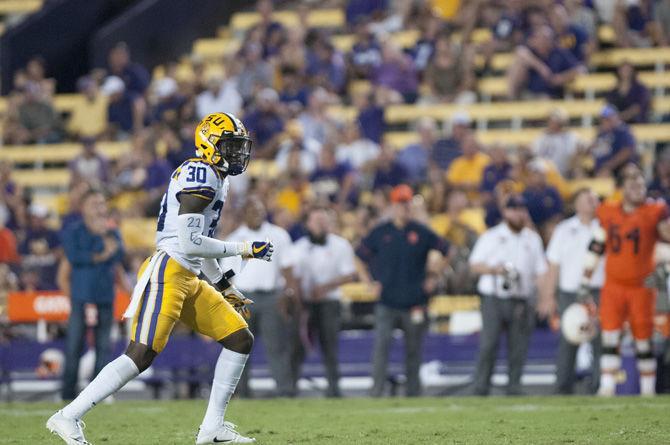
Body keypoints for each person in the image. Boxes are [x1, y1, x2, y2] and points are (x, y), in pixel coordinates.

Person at [47, 112, 273, 444]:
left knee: (240, 338)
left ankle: (212, 428)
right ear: (209, 144)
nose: (238, 153)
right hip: (168, 271)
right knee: (141, 354)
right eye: (230, 146)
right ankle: (67, 416)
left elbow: (200, 244)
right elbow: (189, 242)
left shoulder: (216, 176)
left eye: (239, 147)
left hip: (188, 275)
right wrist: (244, 249)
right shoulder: (202, 174)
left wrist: (226, 287)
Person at [583, 163, 670, 396]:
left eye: (640, 182)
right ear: (622, 188)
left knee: (644, 339)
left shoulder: (655, 211)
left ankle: (648, 389)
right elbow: (597, 244)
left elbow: (666, 237)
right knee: (610, 335)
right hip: (613, 285)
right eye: (632, 182)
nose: (637, 187)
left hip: (643, 286)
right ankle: (607, 386)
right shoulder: (608, 211)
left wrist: (664, 266)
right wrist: (585, 277)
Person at [357, 184, 449, 397]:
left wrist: (434, 277)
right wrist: (368, 283)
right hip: (387, 301)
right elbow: (359, 257)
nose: (403, 208)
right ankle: (376, 392)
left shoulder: (421, 232)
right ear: (393, 206)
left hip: (415, 301)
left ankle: (413, 392)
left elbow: (447, 250)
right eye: (400, 204)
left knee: (414, 350)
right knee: (381, 349)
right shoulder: (381, 232)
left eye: (406, 203)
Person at [469, 195, 547, 396]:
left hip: (521, 298)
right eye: (514, 209)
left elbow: (541, 271)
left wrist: (544, 298)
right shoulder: (492, 236)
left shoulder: (532, 238)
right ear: (505, 212)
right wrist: (496, 270)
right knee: (488, 344)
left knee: (519, 346)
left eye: (521, 209)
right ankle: (481, 387)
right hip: (493, 297)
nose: (518, 213)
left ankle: (514, 386)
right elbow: (475, 265)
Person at [222, 197, 298, 398]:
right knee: (240, 346)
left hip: (272, 296)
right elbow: (225, 276)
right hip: (242, 298)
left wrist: (289, 294)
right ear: (244, 214)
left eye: (260, 211)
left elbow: (288, 268)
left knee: (277, 346)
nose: (257, 215)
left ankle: (284, 390)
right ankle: (241, 392)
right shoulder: (234, 238)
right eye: (253, 211)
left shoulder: (278, 234)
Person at [59, 190, 124, 401]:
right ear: (83, 207)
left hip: (105, 297)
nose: (99, 208)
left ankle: (97, 394)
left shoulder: (112, 232)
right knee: (74, 346)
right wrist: (101, 253)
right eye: (94, 204)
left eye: (101, 203)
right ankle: (67, 394)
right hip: (81, 297)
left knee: (103, 347)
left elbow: (119, 254)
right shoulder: (74, 230)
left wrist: (103, 238)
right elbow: (74, 255)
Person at [540, 188, 604, 394]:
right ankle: (562, 386)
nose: (593, 202)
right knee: (569, 339)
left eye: (595, 199)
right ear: (576, 204)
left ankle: (600, 385)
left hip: (599, 290)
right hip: (570, 292)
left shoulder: (605, 227)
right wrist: (549, 296)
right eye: (588, 198)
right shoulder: (564, 229)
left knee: (600, 340)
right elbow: (553, 264)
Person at [291, 207, 358, 397]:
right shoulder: (299, 247)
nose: (321, 224)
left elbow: (349, 274)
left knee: (330, 345)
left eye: (324, 220)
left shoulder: (340, 245)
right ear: (308, 224)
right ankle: (290, 387)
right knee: (298, 345)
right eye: (317, 220)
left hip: (329, 302)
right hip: (305, 303)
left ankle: (334, 388)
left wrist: (324, 288)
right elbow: (291, 274)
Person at [590, 105, 637, 178]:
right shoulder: (601, 133)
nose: (604, 121)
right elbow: (595, 150)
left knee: (629, 170)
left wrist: (609, 165)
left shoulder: (622, 131)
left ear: (615, 117)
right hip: (602, 168)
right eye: (603, 119)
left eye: (608, 119)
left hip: (619, 167)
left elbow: (627, 150)